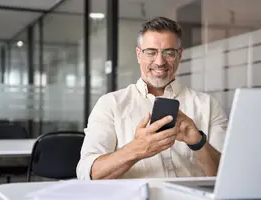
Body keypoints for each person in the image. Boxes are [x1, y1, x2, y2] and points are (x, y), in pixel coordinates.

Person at [76, 16, 228, 180]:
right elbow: (88, 173)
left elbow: (229, 175)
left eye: (169, 52)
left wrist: (199, 142)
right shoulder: (110, 104)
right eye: (151, 52)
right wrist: (136, 149)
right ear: (138, 54)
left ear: (180, 55)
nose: (160, 61)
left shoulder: (208, 105)